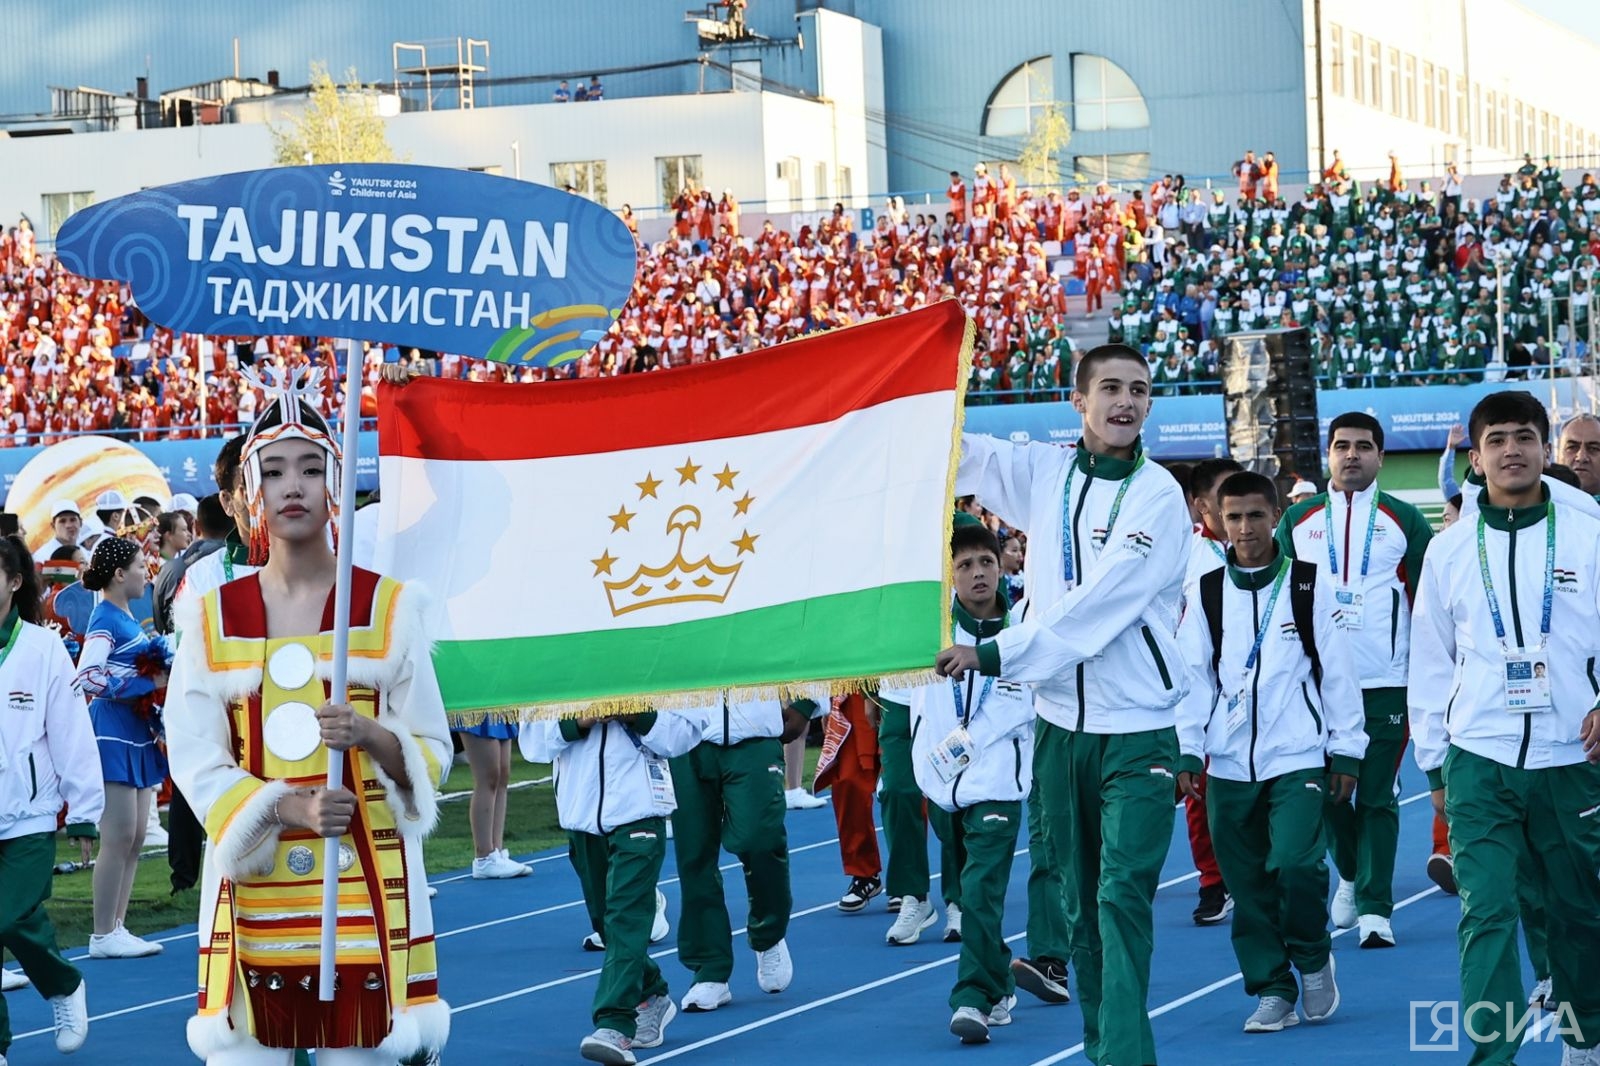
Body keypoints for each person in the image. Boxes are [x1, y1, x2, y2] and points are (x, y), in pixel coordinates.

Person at [165, 369, 452, 1065]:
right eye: (275, 470)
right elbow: (194, 755)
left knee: (364, 1052)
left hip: (365, 892)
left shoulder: (388, 609)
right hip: (254, 893)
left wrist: (376, 738)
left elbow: (433, 747)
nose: (293, 485)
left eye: (310, 467)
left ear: (335, 483)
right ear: (251, 491)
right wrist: (282, 807)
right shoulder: (210, 620)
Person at [939, 343, 1192, 1066]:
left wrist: (996, 653)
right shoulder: (1045, 475)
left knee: (1120, 900)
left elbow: (1099, 606)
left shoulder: (1158, 496)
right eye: (1110, 388)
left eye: (1139, 391)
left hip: (1137, 733)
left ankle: (1124, 1056)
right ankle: (1101, 1046)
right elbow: (962, 456)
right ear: (1076, 400)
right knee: (1080, 911)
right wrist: (899, 396)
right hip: (1058, 732)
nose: (1125, 402)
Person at [1409, 389, 1600, 1066]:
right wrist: (1434, 762)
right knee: (1485, 914)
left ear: (1545, 451)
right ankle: (1494, 1057)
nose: (1512, 450)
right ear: (1477, 454)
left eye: (1524, 437)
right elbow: (1430, 662)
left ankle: (1584, 1038)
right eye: (1497, 440)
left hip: (1571, 753)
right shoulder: (1452, 550)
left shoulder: (1588, 531)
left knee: (1578, 914)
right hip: (1479, 757)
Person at [1176, 471, 1365, 1032]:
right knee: (1248, 885)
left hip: (1297, 756)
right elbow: (1193, 680)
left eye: (1255, 515)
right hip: (1228, 764)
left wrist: (1347, 751)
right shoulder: (1206, 591)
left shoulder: (1309, 585)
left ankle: (1310, 956)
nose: (1244, 528)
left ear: (1277, 515)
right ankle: (1272, 989)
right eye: (1232, 517)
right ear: (1215, 521)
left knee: (1295, 864)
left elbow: (1338, 676)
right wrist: (1189, 751)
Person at [1277, 411, 1432, 949]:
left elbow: (1430, 606)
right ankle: (1347, 872)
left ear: (1380, 457)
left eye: (1363, 447)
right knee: (1329, 797)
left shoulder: (1405, 519)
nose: (1351, 455)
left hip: (1386, 680)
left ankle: (1375, 907)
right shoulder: (1296, 523)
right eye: (1341, 446)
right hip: (1316, 685)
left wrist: (1428, 677)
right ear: (1328, 454)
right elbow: (1278, 599)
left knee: (1376, 796)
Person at [522, 706, 706, 1064]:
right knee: (607, 923)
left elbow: (685, 734)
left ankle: (615, 1024)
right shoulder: (556, 670)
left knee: (626, 916)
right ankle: (652, 993)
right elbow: (532, 744)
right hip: (579, 815)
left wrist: (639, 716)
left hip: (640, 809)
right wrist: (580, 721)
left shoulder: (656, 660)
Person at [912, 522, 1034, 1044]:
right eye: (964, 566)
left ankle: (972, 998)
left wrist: (976, 735)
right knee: (965, 890)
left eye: (985, 561)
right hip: (942, 784)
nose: (978, 573)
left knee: (981, 894)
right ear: (950, 577)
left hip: (998, 783)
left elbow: (1028, 696)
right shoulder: (926, 630)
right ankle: (1000, 974)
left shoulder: (1025, 628)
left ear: (1001, 565)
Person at [0, 533, 98, 1059]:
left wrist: (84, 813)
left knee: (10, 917)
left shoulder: (43, 647)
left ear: (14, 582)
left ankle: (64, 985)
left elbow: (71, 733)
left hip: (28, 816)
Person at [669, 697, 804, 1011]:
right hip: (685, 732)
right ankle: (709, 970)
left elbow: (802, 645)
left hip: (754, 731)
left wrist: (808, 702)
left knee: (760, 839)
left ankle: (768, 932)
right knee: (694, 855)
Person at [75, 535, 172, 960]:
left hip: (136, 730)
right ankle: (101, 934)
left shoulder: (128, 618)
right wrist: (145, 684)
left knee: (133, 838)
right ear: (118, 574)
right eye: (138, 566)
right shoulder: (105, 618)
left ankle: (116, 926)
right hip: (112, 731)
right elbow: (88, 677)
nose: (145, 573)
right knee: (116, 836)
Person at [1181, 458, 1242, 927]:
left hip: (1258, 689)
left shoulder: (1269, 548)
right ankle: (1212, 881)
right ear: (1200, 505)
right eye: (1223, 493)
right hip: (1201, 689)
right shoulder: (1182, 556)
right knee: (1200, 793)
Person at [457, 708, 533, 879]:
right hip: (475, 703)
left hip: (497, 701)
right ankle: (483, 857)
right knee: (488, 777)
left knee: (502, 776)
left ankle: (496, 852)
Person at [1557, 413, 1600, 497]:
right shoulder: (1538, 507)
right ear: (1558, 456)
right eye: (1572, 447)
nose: (1581, 457)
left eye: (1593, 448)